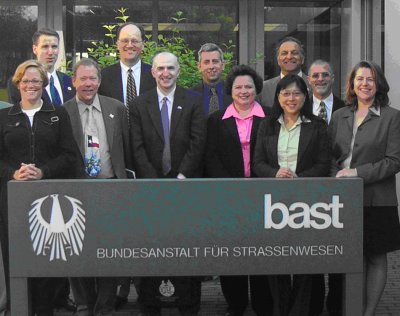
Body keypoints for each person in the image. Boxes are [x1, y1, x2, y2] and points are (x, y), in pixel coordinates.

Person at [0, 59, 82, 316]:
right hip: (11, 199)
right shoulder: (4, 116)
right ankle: (17, 307)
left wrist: (43, 171)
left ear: (43, 84)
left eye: (36, 80)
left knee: (46, 255)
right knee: (15, 254)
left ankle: (46, 308)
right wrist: (13, 172)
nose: (30, 85)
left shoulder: (57, 114)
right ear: (18, 84)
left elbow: (70, 156)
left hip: (49, 199)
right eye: (26, 80)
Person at [130, 51, 206, 315]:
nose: (165, 73)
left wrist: (181, 176)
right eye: (160, 68)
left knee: (186, 245)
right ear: (152, 72)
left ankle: (188, 302)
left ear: (179, 71)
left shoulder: (194, 100)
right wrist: (154, 182)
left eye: (170, 68)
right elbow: (136, 147)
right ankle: (150, 302)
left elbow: (198, 142)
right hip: (152, 190)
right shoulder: (139, 104)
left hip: (184, 188)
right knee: (152, 246)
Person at [253, 74, 330, 316]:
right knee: (276, 259)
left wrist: (300, 177)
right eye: (285, 93)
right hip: (273, 204)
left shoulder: (317, 126)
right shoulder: (267, 124)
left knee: (305, 259)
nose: (291, 98)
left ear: (305, 96)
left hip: (306, 205)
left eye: (297, 93)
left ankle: (300, 310)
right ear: (278, 97)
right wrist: (275, 173)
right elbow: (257, 163)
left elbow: (323, 163)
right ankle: (280, 309)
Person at [328, 61, 400, 316]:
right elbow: (329, 156)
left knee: (376, 257)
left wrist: (357, 173)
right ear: (352, 84)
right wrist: (335, 174)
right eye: (360, 79)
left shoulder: (392, 117)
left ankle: (368, 312)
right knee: (353, 257)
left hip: (378, 200)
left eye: (370, 79)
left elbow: (394, 161)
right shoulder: (339, 116)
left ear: (378, 83)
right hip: (344, 200)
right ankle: (354, 308)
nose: (365, 84)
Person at [63, 57, 132, 316]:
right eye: (83, 78)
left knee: (109, 249)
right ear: (73, 81)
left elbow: (127, 149)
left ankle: (104, 306)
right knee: (77, 249)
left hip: (111, 188)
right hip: (77, 192)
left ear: (100, 81)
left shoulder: (117, 108)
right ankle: (83, 303)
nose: (88, 84)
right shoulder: (62, 112)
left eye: (93, 79)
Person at [205, 64, 271, 315]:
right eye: (238, 87)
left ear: (257, 89)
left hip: (262, 195)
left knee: (261, 250)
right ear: (230, 90)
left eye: (249, 87)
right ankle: (236, 303)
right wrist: (231, 187)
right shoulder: (216, 120)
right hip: (229, 197)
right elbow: (210, 157)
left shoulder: (271, 116)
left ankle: (264, 303)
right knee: (231, 250)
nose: (244, 91)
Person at [307, 59, 345, 316]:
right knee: (313, 252)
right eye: (315, 75)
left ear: (333, 78)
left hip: (341, 190)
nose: (320, 79)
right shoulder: (297, 106)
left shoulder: (348, 108)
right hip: (310, 191)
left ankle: (337, 304)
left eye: (325, 75)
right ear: (308, 80)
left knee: (340, 251)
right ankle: (313, 303)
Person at [7, 28, 75, 107]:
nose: (50, 52)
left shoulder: (69, 81)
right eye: (45, 47)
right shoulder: (18, 83)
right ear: (35, 49)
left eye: (54, 47)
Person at [99, 22, 156, 105]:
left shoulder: (155, 75)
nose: (129, 45)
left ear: (143, 44)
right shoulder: (103, 76)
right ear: (117, 45)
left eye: (134, 41)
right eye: (125, 41)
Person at [259, 37, 310, 108]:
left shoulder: (314, 85)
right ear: (278, 60)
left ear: (302, 59)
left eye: (294, 53)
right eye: (284, 53)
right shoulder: (264, 89)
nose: (289, 57)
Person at [192, 43, 232, 114]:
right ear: (199, 67)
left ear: (222, 65)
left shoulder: (235, 94)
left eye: (215, 61)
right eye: (206, 62)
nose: (211, 66)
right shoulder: (190, 96)